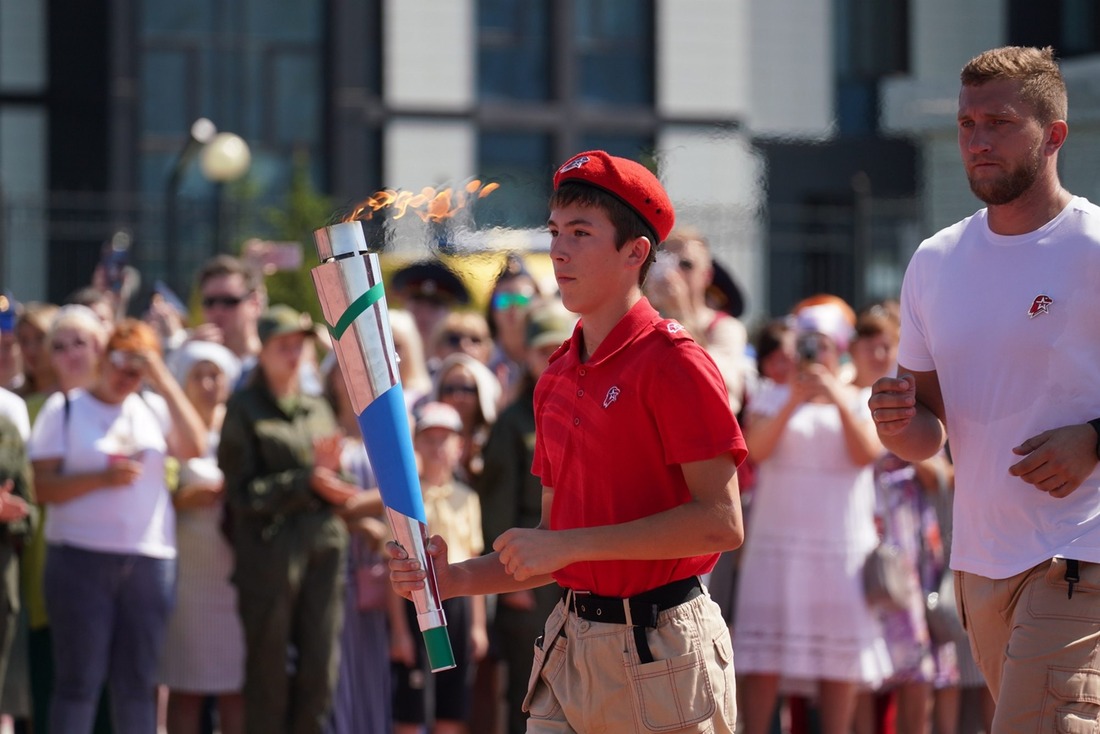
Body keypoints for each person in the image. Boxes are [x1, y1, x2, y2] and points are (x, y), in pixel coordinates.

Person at [389, 149, 746, 733]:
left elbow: (721, 523)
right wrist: (451, 579)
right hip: (570, 646)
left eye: (580, 233)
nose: (557, 249)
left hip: (664, 653)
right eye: (555, 231)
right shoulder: (554, 375)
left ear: (636, 253)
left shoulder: (677, 364)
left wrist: (569, 546)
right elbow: (551, 548)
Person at [868, 45, 1100, 733]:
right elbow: (928, 431)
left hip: (1078, 556)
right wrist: (894, 423)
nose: (977, 140)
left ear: (1053, 135)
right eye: (968, 124)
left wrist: (1094, 440)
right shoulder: (935, 260)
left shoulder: (1093, 246)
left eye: (998, 122)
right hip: (980, 567)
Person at [27, 319, 207, 734]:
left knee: (138, 686)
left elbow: (194, 446)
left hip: (148, 562)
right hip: (78, 558)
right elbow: (40, 486)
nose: (128, 378)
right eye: (122, 366)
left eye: (138, 371)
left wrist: (162, 376)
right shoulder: (66, 407)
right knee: (78, 684)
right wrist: (100, 480)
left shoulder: (153, 407)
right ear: (104, 358)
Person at [734, 296, 891, 734]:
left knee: (837, 661)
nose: (812, 354)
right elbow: (756, 453)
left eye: (821, 345)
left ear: (837, 348)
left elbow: (866, 454)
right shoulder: (772, 396)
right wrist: (794, 400)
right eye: (806, 344)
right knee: (764, 658)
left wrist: (834, 395)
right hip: (777, 545)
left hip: (839, 549)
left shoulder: (860, 400)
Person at [218, 304, 359, 734]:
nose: (294, 353)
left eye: (299, 345)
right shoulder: (244, 408)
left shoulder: (316, 406)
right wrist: (305, 482)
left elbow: (335, 473)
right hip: (268, 554)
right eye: (283, 346)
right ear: (262, 351)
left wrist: (334, 482)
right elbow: (240, 493)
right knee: (268, 672)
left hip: (322, 547)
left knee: (320, 669)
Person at [475, 300, 575, 734]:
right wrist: (511, 577)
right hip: (529, 572)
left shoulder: (579, 411)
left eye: (560, 348)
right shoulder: (513, 423)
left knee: (575, 685)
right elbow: (497, 505)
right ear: (526, 355)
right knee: (528, 686)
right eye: (542, 350)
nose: (551, 359)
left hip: (578, 567)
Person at [159, 340, 245, 734]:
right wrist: (185, 499)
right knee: (186, 685)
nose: (208, 383)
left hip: (237, 574)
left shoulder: (242, 425)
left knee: (236, 686)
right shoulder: (168, 431)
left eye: (215, 375)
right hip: (188, 575)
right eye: (198, 375)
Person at [392, 401, 487, 734]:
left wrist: (478, 626)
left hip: (457, 603)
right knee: (411, 705)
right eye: (428, 438)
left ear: (459, 446)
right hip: (413, 600)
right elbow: (393, 567)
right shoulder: (400, 500)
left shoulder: (468, 498)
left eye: (444, 439)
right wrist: (399, 631)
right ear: (416, 444)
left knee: (452, 701)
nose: (436, 447)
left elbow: (474, 561)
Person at [319, 356, 392, 734]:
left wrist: (352, 510)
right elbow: (317, 504)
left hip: (381, 576)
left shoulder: (388, 428)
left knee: (375, 671)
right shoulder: (322, 431)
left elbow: (413, 491)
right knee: (339, 672)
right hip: (336, 573)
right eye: (341, 368)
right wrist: (364, 515)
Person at [644, 227, 750, 413]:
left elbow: (720, 384)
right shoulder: (644, 321)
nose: (674, 272)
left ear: (706, 275)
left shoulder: (725, 327)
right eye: (668, 262)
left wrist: (680, 312)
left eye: (686, 265)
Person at [191, 255, 265, 380]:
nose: (218, 310)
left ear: (255, 304)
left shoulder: (273, 364)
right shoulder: (192, 360)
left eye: (229, 301)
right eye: (210, 302)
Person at [430, 352, 501, 484]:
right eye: (449, 389)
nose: (457, 397)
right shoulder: (423, 439)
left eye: (467, 389)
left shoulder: (496, 439)